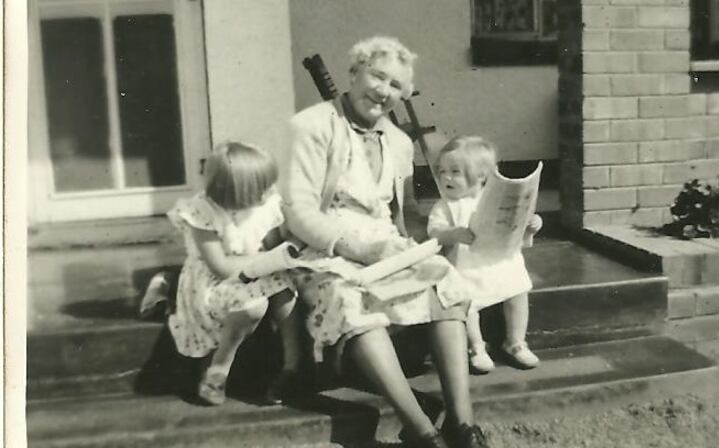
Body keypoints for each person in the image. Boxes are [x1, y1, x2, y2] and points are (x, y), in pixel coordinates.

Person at [283, 37, 488, 448]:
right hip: (324, 248)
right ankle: (421, 430)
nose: (383, 91)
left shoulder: (397, 141)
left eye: (395, 85)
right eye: (377, 76)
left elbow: (402, 213)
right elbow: (297, 212)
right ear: (353, 73)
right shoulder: (310, 126)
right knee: (348, 299)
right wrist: (357, 250)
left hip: (385, 246)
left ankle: (462, 425)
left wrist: (421, 245)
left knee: (444, 281)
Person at [167, 141, 301, 406]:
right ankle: (218, 369)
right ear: (239, 192)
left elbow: (273, 244)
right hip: (216, 280)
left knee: (285, 288)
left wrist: (285, 252)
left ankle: (295, 364)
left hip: (255, 270)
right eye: (264, 186)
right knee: (253, 306)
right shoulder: (202, 211)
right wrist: (269, 259)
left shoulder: (265, 205)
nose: (272, 191)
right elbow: (219, 266)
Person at [426, 136, 543, 375]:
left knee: (518, 288)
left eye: (455, 172)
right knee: (467, 300)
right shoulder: (445, 205)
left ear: (481, 176)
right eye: (442, 171)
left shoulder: (492, 200)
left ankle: (515, 341)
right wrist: (452, 234)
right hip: (466, 264)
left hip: (498, 259)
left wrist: (531, 225)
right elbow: (434, 232)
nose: (446, 178)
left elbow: (514, 226)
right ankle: (476, 346)